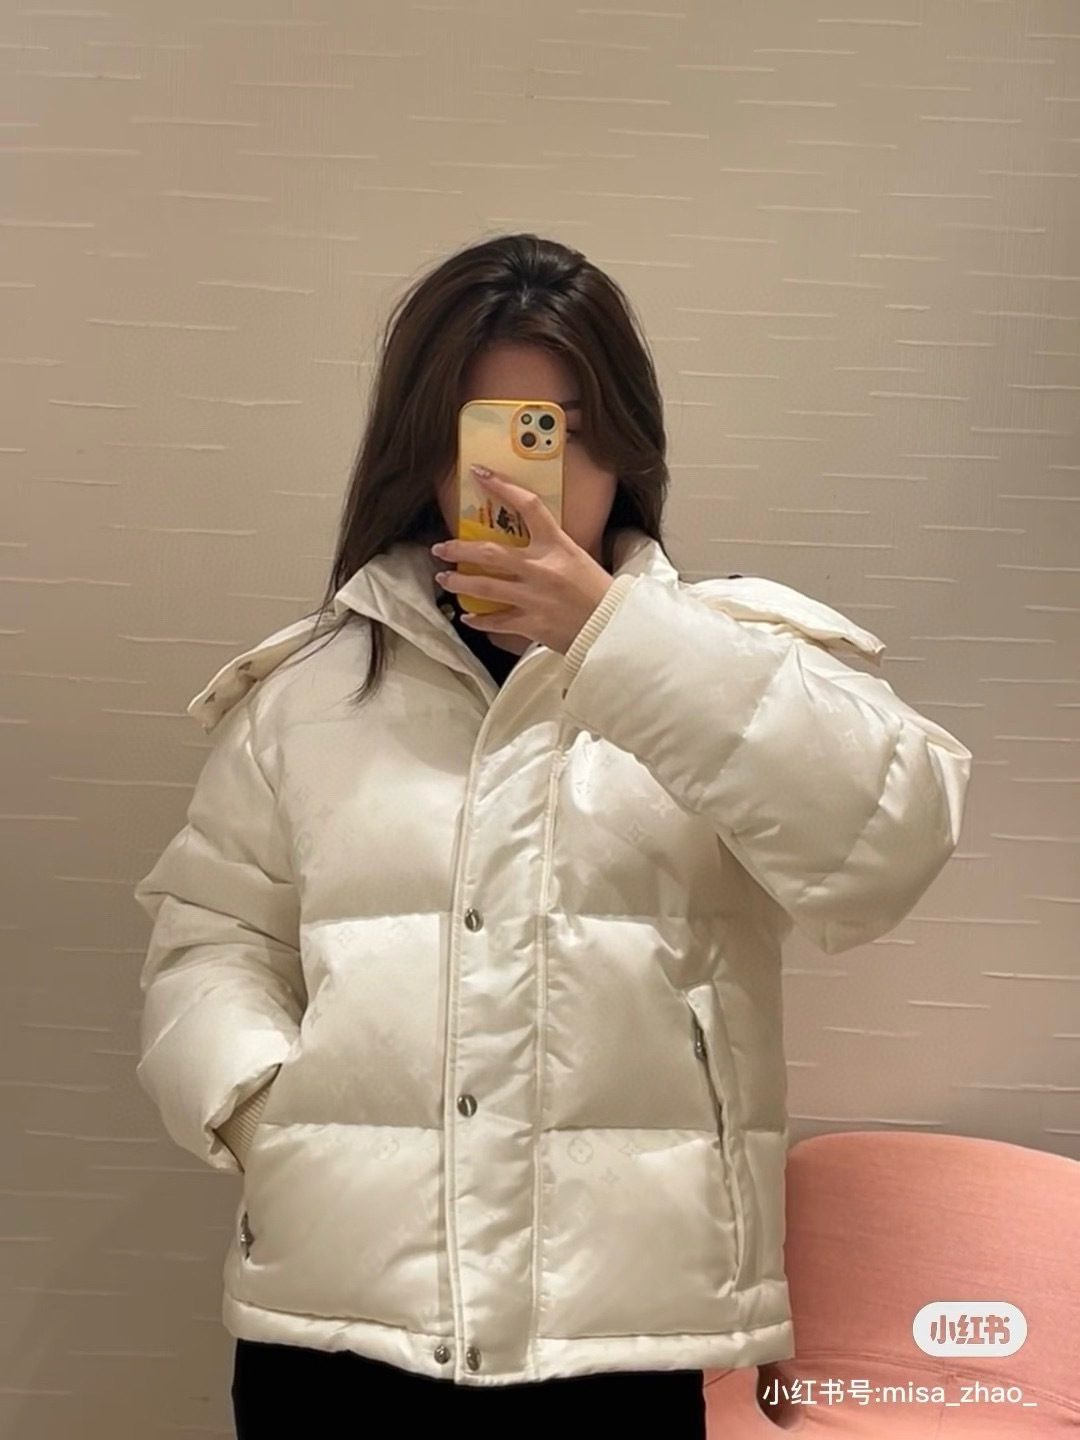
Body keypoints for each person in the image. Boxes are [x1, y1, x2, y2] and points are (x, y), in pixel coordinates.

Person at [133, 232, 972, 1437]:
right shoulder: (309, 695)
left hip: (615, 1347)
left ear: (624, 441)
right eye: (490, 433)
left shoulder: (734, 662)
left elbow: (890, 846)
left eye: (561, 429)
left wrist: (617, 638)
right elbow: (210, 943)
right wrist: (273, 1118)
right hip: (331, 1324)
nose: (528, 476)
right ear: (425, 452)